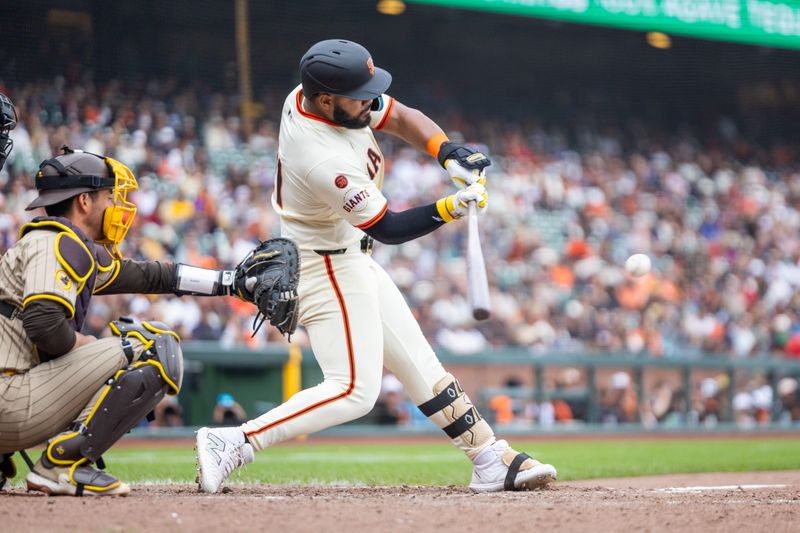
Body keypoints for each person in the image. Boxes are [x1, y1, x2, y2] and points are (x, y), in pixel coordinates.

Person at [196, 39, 557, 494]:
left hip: (349, 253)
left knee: (420, 363)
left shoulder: (323, 98)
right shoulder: (320, 154)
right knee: (353, 390)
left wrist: (447, 152)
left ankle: (488, 457)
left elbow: (403, 116)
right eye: (360, 93)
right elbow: (387, 226)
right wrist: (450, 207)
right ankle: (234, 441)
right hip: (323, 264)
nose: (371, 100)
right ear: (326, 99)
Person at [0, 146, 262, 496]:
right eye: (109, 195)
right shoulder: (57, 244)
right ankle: (62, 465)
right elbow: (46, 326)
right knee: (153, 346)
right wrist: (85, 344)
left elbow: (150, 276)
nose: (115, 205)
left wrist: (230, 283)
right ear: (84, 201)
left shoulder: (48, 242)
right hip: (10, 400)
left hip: (10, 392)